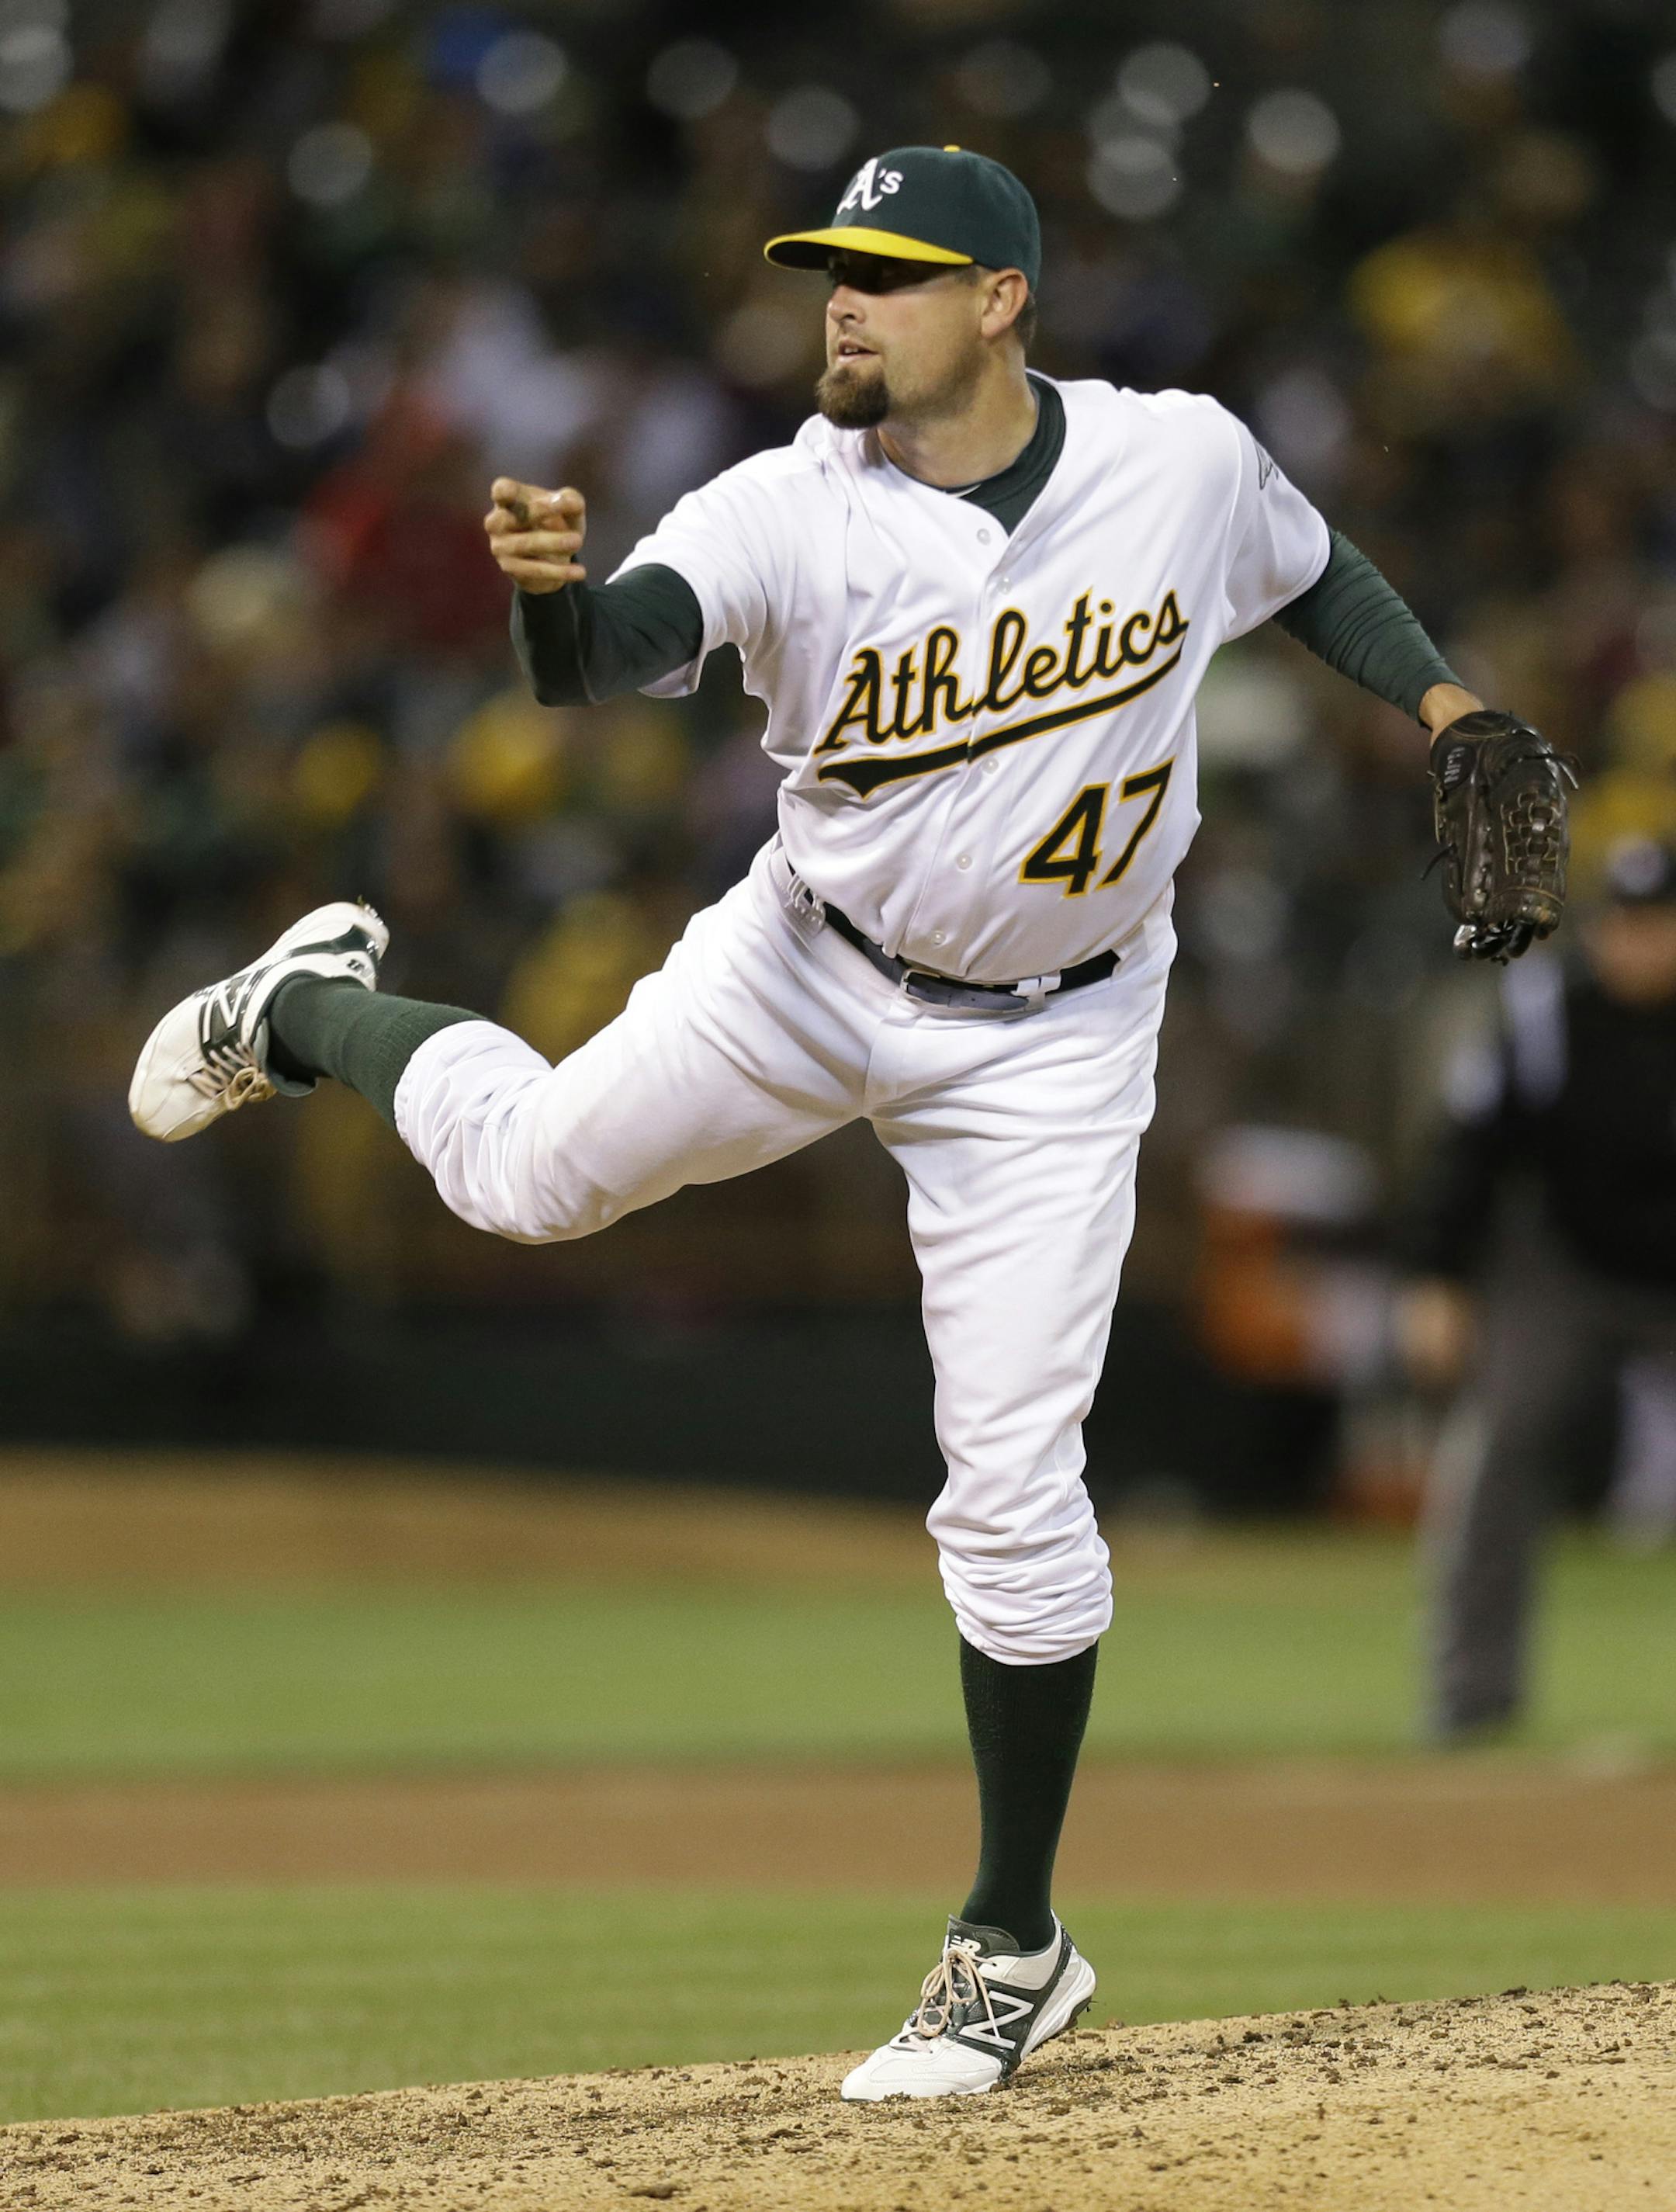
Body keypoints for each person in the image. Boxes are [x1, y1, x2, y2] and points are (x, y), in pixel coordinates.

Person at [133, 146, 1500, 2101]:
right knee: (523, 1177)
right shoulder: (787, 504)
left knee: (1013, 1495)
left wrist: (1447, 708)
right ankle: (305, 1007)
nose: (844, 299)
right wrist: (551, 607)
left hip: (1055, 1038)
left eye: (893, 270)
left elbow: (1313, 571)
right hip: (807, 961)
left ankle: (1011, 1945)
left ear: (1001, 301)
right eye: (832, 269)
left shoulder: (1177, 460)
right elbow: (612, 656)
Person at [1401, 835, 1676, 1742]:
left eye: (1659, 924)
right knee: (1500, 1449)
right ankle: (1470, 1701)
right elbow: (1471, 1150)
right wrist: (1439, 1275)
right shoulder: (1546, 1013)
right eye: (1627, 923)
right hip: (1568, 1268)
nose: (1640, 943)